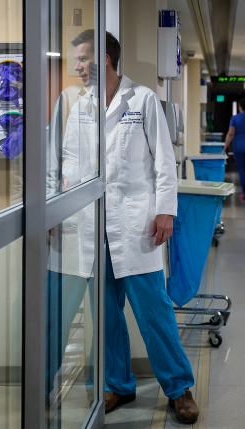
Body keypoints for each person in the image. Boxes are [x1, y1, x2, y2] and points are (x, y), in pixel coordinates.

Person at [103, 32, 199, 423]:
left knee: (153, 312)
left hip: (137, 224)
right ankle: (118, 384)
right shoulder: (83, 107)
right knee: (106, 314)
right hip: (98, 226)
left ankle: (180, 388)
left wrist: (165, 211)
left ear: (105, 60)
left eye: (82, 58)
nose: (76, 67)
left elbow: (164, 161)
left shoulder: (141, 99)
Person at [45, 28, 99, 408]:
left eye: (83, 58)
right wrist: (50, 209)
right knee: (56, 318)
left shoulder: (126, 100)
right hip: (71, 225)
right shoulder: (67, 100)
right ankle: (43, 385)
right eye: (76, 59)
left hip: (108, 231)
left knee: (106, 320)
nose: (77, 67)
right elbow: (52, 162)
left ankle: (101, 387)